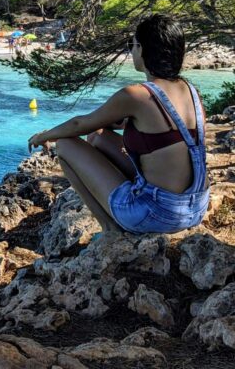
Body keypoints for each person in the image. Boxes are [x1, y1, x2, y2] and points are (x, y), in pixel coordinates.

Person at [28, 14, 209, 234]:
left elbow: (78, 124)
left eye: (131, 44)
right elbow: (108, 127)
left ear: (141, 49)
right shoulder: (191, 91)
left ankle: (109, 230)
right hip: (196, 207)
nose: (131, 51)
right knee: (97, 136)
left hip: (156, 215)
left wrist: (43, 137)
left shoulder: (136, 95)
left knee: (65, 145)